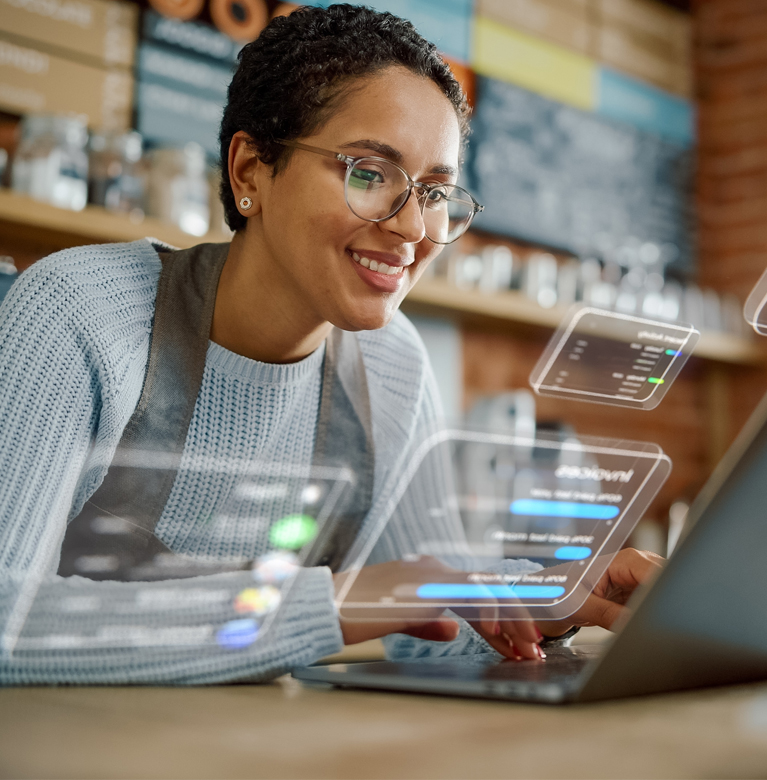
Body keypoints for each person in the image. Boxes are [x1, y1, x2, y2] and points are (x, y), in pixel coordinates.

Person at [0, 4, 663, 685]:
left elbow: (428, 623)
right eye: (369, 173)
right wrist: (337, 603)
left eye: (435, 192)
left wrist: (542, 595)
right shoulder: (81, 313)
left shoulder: (393, 365)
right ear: (251, 170)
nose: (412, 227)